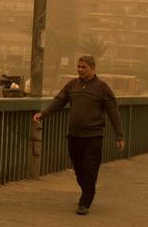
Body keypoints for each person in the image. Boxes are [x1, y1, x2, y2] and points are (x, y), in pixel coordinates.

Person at [33, 54, 125, 215]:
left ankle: (85, 202)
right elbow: (59, 101)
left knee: (89, 168)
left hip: (93, 136)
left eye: (84, 67)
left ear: (93, 68)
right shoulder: (72, 85)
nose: (80, 70)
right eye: (78, 67)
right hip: (74, 136)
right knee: (79, 169)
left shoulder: (102, 88)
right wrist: (43, 114)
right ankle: (88, 190)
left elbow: (113, 112)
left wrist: (119, 135)